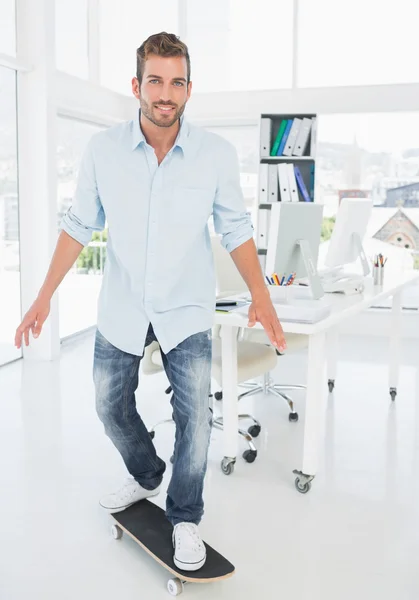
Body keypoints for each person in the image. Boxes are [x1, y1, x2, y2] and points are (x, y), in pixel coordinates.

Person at [15, 32, 286, 571]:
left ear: (190, 89)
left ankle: (184, 516)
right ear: (137, 85)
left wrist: (262, 297)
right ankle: (145, 473)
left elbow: (235, 230)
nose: (166, 93)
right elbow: (77, 227)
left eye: (177, 82)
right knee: (107, 405)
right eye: (156, 80)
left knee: (195, 422)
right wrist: (43, 296)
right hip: (122, 305)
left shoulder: (215, 155)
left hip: (184, 309)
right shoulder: (103, 152)